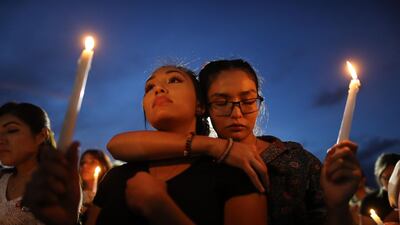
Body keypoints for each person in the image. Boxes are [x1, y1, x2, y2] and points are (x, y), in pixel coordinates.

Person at [108, 59, 362, 225]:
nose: (237, 114)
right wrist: (215, 146)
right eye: (221, 102)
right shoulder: (200, 164)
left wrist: (338, 204)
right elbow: (121, 144)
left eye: (248, 101)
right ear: (203, 108)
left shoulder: (296, 159)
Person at [86, 65, 267, 225]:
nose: (158, 89)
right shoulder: (116, 176)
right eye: (150, 87)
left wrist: (162, 211)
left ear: (200, 105)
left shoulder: (234, 171)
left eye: (174, 80)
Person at [0, 102, 56, 225]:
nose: (1, 139)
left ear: (41, 136)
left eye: (11, 130)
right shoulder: (2, 180)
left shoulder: (55, 185)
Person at [360, 153, 400, 225]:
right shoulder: (369, 201)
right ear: (379, 178)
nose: (392, 181)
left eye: (394, 176)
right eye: (387, 178)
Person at [79, 149, 112, 222]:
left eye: (92, 162)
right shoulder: (74, 193)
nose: (85, 165)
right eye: (83, 162)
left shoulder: (109, 196)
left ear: (103, 166)